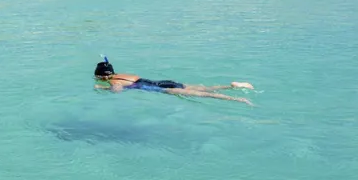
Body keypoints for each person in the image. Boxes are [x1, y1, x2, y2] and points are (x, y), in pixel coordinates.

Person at [94, 58, 254, 105]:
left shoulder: (115, 82)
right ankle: (232, 86)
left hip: (163, 90)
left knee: (202, 95)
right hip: (164, 82)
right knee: (204, 88)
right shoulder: (124, 75)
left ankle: (239, 99)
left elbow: (117, 92)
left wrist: (102, 89)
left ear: (101, 76)